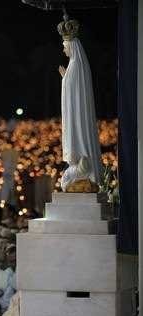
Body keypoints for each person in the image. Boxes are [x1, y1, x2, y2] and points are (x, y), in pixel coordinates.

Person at [57, 17, 101, 190]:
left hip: (77, 116)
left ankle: (81, 162)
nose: (63, 50)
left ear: (71, 47)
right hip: (77, 113)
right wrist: (65, 78)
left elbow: (72, 90)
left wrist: (64, 79)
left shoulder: (75, 65)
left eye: (65, 47)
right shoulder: (77, 65)